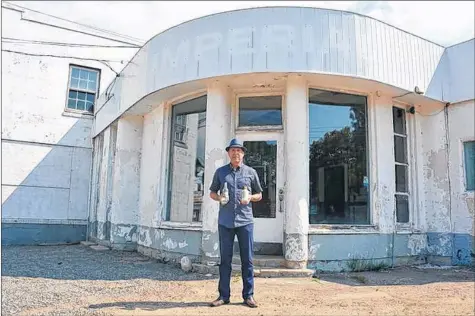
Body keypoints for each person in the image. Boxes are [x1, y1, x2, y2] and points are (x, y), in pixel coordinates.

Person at [208, 138, 263, 308]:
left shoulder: (250, 172)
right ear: (228, 153)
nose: (235, 153)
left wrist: (250, 198)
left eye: (239, 150)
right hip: (225, 222)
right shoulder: (220, 172)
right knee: (225, 260)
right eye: (233, 150)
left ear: (243, 153)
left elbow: (259, 194)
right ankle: (224, 296)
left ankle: (249, 295)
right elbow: (212, 193)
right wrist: (220, 198)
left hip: (245, 221)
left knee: (248, 260)